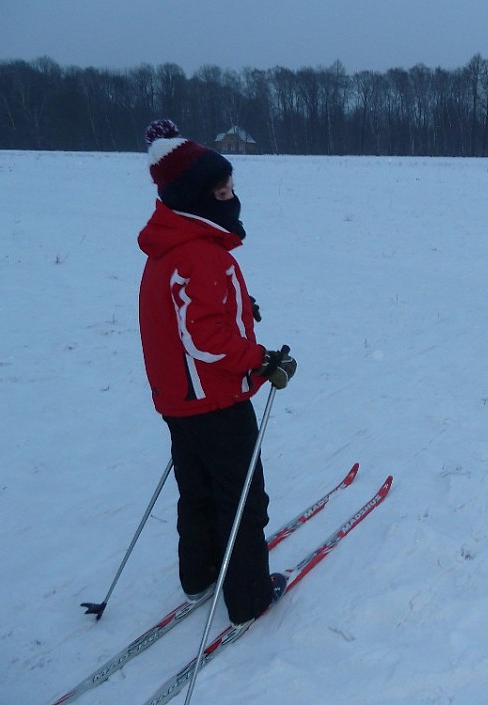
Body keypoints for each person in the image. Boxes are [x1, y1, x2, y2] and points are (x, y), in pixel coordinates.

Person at [138, 119, 297, 626]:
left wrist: (239, 308)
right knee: (243, 497)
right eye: (222, 191)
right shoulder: (200, 255)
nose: (231, 199)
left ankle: (200, 573)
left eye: (231, 188)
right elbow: (204, 339)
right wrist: (260, 359)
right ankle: (249, 599)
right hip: (216, 401)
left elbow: (185, 314)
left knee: (199, 489)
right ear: (194, 198)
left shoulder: (171, 247)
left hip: (179, 401)